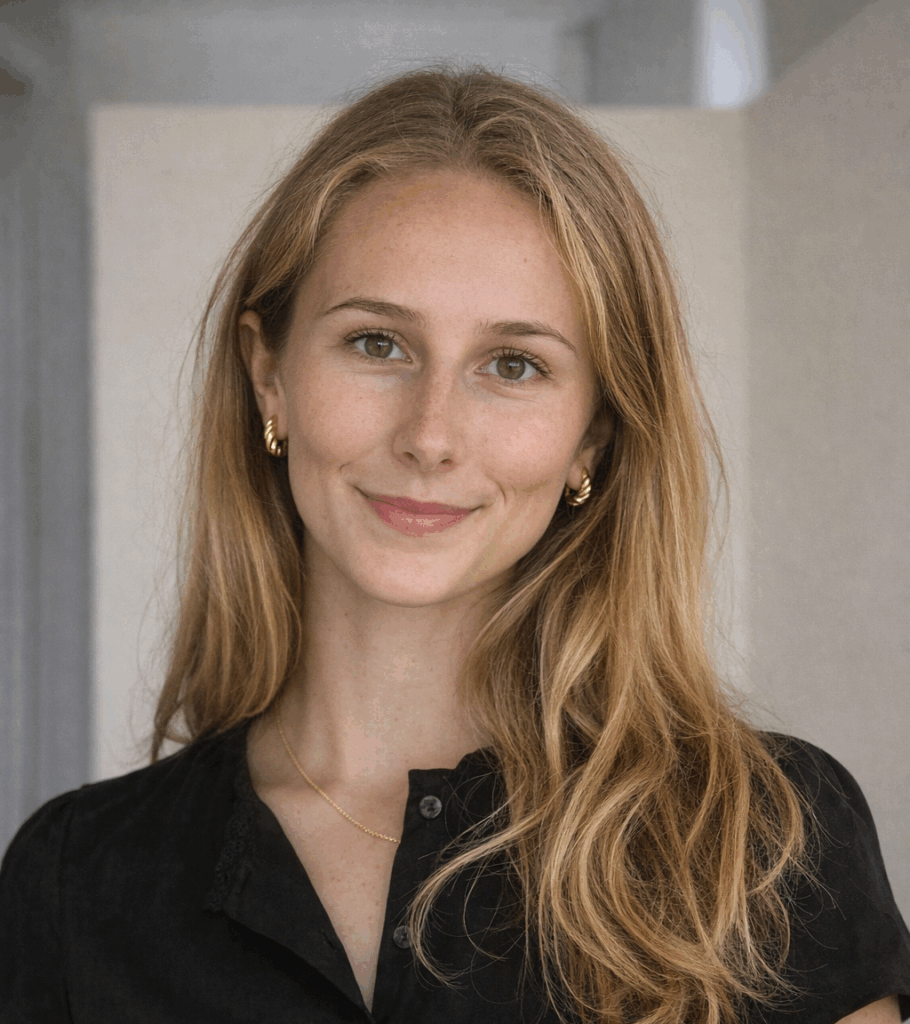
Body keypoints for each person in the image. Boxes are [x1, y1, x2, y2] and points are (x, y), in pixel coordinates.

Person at [1, 65, 908, 1024]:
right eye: (376, 344)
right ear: (268, 376)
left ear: (592, 437)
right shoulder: (74, 880)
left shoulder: (765, 837)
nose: (431, 435)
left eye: (513, 364)